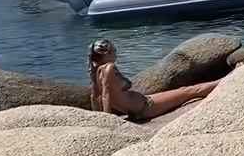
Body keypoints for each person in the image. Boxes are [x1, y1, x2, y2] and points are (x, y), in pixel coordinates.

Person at [87, 39, 220, 121]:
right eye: (114, 50)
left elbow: (95, 96)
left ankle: (223, 81)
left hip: (138, 108)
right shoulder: (109, 68)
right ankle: (227, 81)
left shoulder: (96, 72)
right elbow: (106, 94)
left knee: (183, 91)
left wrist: (98, 117)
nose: (116, 53)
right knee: (189, 91)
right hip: (146, 107)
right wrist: (108, 119)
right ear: (107, 53)